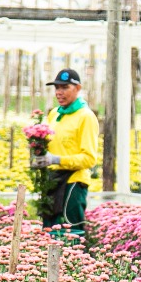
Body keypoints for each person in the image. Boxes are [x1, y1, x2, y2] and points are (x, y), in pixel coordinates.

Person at [32, 68, 101, 240]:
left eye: (65, 87)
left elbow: (89, 158)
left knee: (70, 234)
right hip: (53, 180)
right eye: (57, 88)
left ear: (78, 88)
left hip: (72, 183)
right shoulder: (55, 114)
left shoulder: (86, 116)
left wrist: (57, 159)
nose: (59, 92)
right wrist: (41, 155)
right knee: (49, 231)